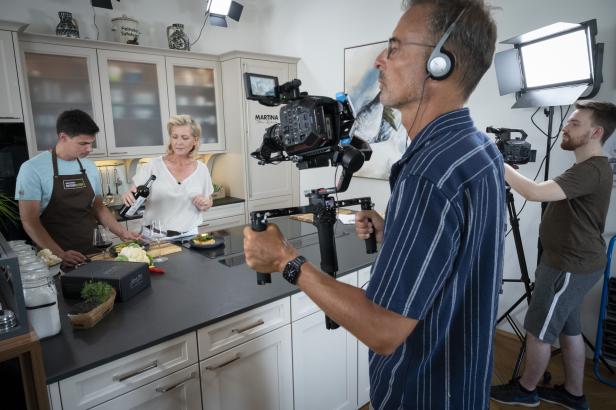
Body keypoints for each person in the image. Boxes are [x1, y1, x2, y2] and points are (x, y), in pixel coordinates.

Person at [243, 1, 504, 409]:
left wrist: (285, 260)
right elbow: (460, 259)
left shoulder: (428, 172)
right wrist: (397, 234)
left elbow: (384, 330)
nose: (380, 60)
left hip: (420, 394)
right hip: (462, 386)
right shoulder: (478, 148)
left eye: (395, 48)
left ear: (440, 64)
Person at [491, 101, 616, 410]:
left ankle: (527, 389)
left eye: (574, 123)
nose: (565, 126)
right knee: (568, 328)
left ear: (595, 132)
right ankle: (574, 394)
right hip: (575, 263)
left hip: (568, 266)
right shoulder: (590, 167)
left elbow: (534, 192)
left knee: (538, 330)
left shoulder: (592, 169)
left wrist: (498, 163)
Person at [16, 109, 140, 267]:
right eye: (83, 143)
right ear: (63, 137)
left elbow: (99, 207)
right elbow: (29, 220)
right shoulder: (32, 169)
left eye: (91, 143)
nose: (89, 149)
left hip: (94, 251)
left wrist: (123, 233)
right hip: (56, 257)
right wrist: (59, 254)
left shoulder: (89, 166)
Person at [122, 114, 213, 238]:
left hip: (189, 237)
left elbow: (208, 200)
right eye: (174, 137)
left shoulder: (202, 169)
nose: (178, 142)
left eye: (185, 138)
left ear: (195, 140)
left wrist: (207, 203)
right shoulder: (152, 166)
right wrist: (128, 195)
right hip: (156, 237)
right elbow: (133, 193)